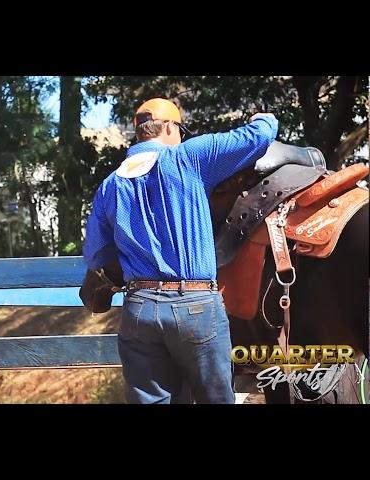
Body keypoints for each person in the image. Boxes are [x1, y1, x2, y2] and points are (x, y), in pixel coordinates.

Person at [82, 98, 278, 404]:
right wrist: (263, 118)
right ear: (171, 127)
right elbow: (258, 137)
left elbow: (96, 257)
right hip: (195, 304)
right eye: (181, 130)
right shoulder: (188, 158)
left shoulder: (110, 184)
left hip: (139, 308)